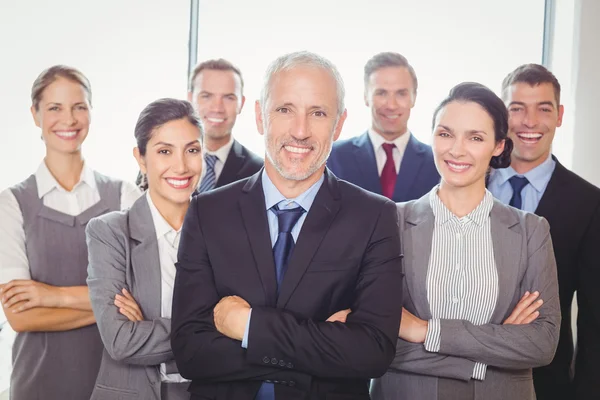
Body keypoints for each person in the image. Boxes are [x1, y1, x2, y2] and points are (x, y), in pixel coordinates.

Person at [171, 51, 404, 400]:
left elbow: (371, 352)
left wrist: (248, 326)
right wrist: (322, 345)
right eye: (285, 110)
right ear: (260, 116)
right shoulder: (208, 211)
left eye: (318, 113)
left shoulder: (374, 217)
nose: (300, 131)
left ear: (339, 123)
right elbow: (191, 352)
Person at [371, 82, 560, 400]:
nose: (456, 150)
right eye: (445, 134)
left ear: (499, 145)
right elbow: (373, 341)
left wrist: (425, 331)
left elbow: (542, 344)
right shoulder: (389, 222)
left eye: (475, 137)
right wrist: (495, 350)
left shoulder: (531, 231)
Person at [0, 65, 141, 400]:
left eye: (79, 106)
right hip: (38, 386)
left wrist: (52, 296)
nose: (69, 119)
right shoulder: (11, 204)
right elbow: (19, 315)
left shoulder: (125, 196)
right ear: (35, 115)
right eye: (54, 108)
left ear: (91, 112)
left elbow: (146, 295)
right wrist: (110, 310)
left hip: (118, 385)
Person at [488, 63, 600, 400]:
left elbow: (595, 319)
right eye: (517, 108)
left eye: (543, 109)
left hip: (547, 383)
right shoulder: (467, 185)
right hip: (462, 374)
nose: (530, 122)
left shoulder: (589, 203)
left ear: (560, 115)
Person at [86, 98, 203, 399]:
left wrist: (149, 328)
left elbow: (242, 337)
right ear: (141, 158)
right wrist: (208, 325)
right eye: (165, 151)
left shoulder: (226, 231)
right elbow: (121, 342)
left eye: (192, 150)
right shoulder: (109, 232)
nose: (181, 166)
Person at [327, 52, 439, 201]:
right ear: (366, 97)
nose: (391, 105)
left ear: (414, 97)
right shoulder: (334, 156)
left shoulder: (437, 162)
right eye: (381, 93)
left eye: (401, 93)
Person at [188, 58, 263, 193]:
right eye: (206, 96)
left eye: (228, 97)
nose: (217, 108)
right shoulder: (162, 160)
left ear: (241, 103)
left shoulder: (259, 172)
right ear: (190, 99)